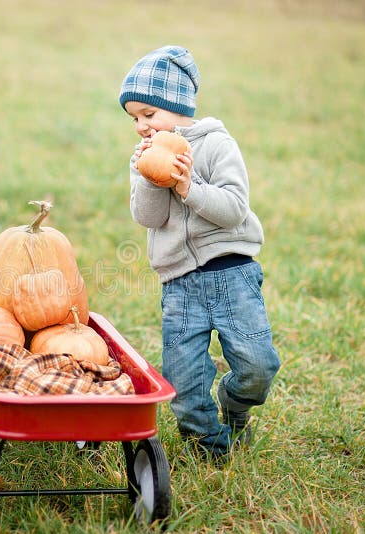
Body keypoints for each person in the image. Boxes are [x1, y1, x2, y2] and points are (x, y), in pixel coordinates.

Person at [119, 45, 281, 459]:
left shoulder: (216, 145)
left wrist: (189, 188)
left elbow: (233, 209)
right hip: (180, 284)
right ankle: (210, 448)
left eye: (148, 115)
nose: (140, 126)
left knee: (257, 367)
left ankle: (235, 402)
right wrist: (149, 178)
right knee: (184, 382)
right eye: (134, 118)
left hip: (232, 274)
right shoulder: (145, 157)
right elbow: (149, 218)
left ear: (176, 107)